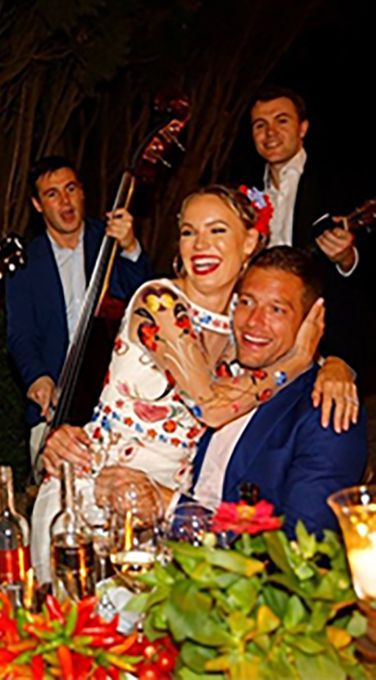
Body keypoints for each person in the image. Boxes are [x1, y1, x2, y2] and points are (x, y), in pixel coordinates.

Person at [33, 185, 357, 582]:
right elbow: (211, 406)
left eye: (217, 230)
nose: (200, 245)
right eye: (189, 232)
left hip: (170, 515)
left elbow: (279, 346)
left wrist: (336, 365)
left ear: (249, 242)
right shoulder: (159, 301)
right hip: (96, 493)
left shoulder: (241, 325)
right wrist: (298, 361)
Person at [96, 246, 368, 536]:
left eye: (276, 309)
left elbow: (301, 550)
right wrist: (75, 441)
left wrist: (172, 508)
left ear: (312, 321)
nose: (253, 322)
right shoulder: (213, 375)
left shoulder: (326, 411)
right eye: (246, 302)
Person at [5, 156, 152, 465]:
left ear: (82, 192)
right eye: (52, 194)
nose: (65, 201)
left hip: (115, 393)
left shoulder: (110, 242)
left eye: (70, 188)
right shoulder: (25, 263)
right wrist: (38, 377)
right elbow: (21, 335)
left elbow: (145, 302)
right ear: (37, 205)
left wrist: (130, 248)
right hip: (56, 401)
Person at [248, 86, 371, 375]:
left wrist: (347, 258)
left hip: (323, 341)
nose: (270, 133)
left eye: (281, 121)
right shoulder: (243, 189)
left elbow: (367, 271)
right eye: (260, 125)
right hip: (256, 332)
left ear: (302, 128)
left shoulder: (337, 182)